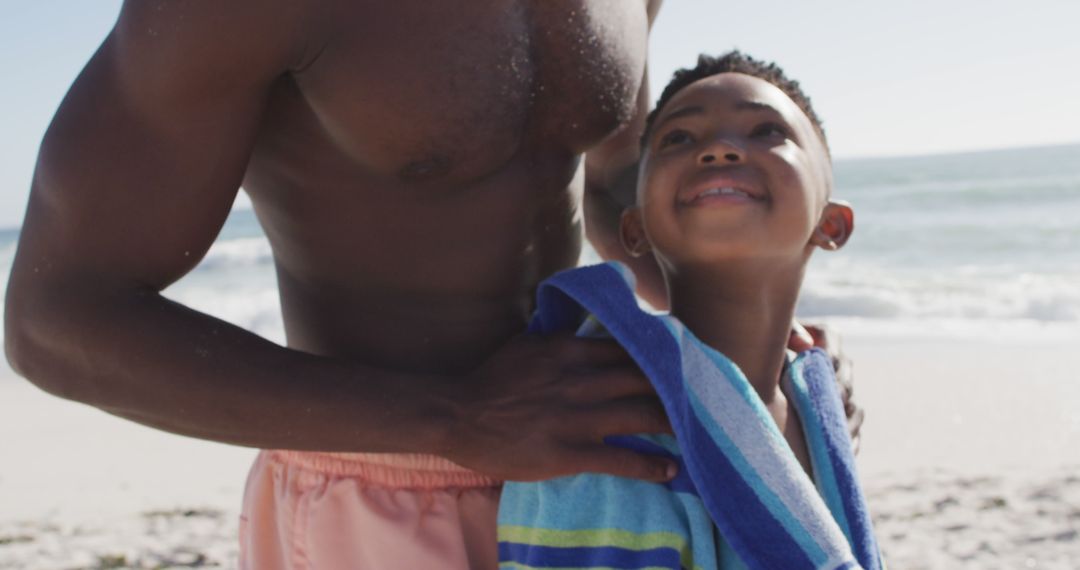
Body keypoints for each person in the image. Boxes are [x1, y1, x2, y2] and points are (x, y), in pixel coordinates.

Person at [2, 2, 858, 569]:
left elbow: (616, 187)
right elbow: (55, 314)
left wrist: (743, 361)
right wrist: (453, 418)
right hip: (382, 489)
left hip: (601, 469)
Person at [498, 52, 879, 569]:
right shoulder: (604, 418)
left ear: (830, 225)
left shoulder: (817, 403)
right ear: (634, 229)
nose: (720, 149)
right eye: (679, 138)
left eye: (767, 130)